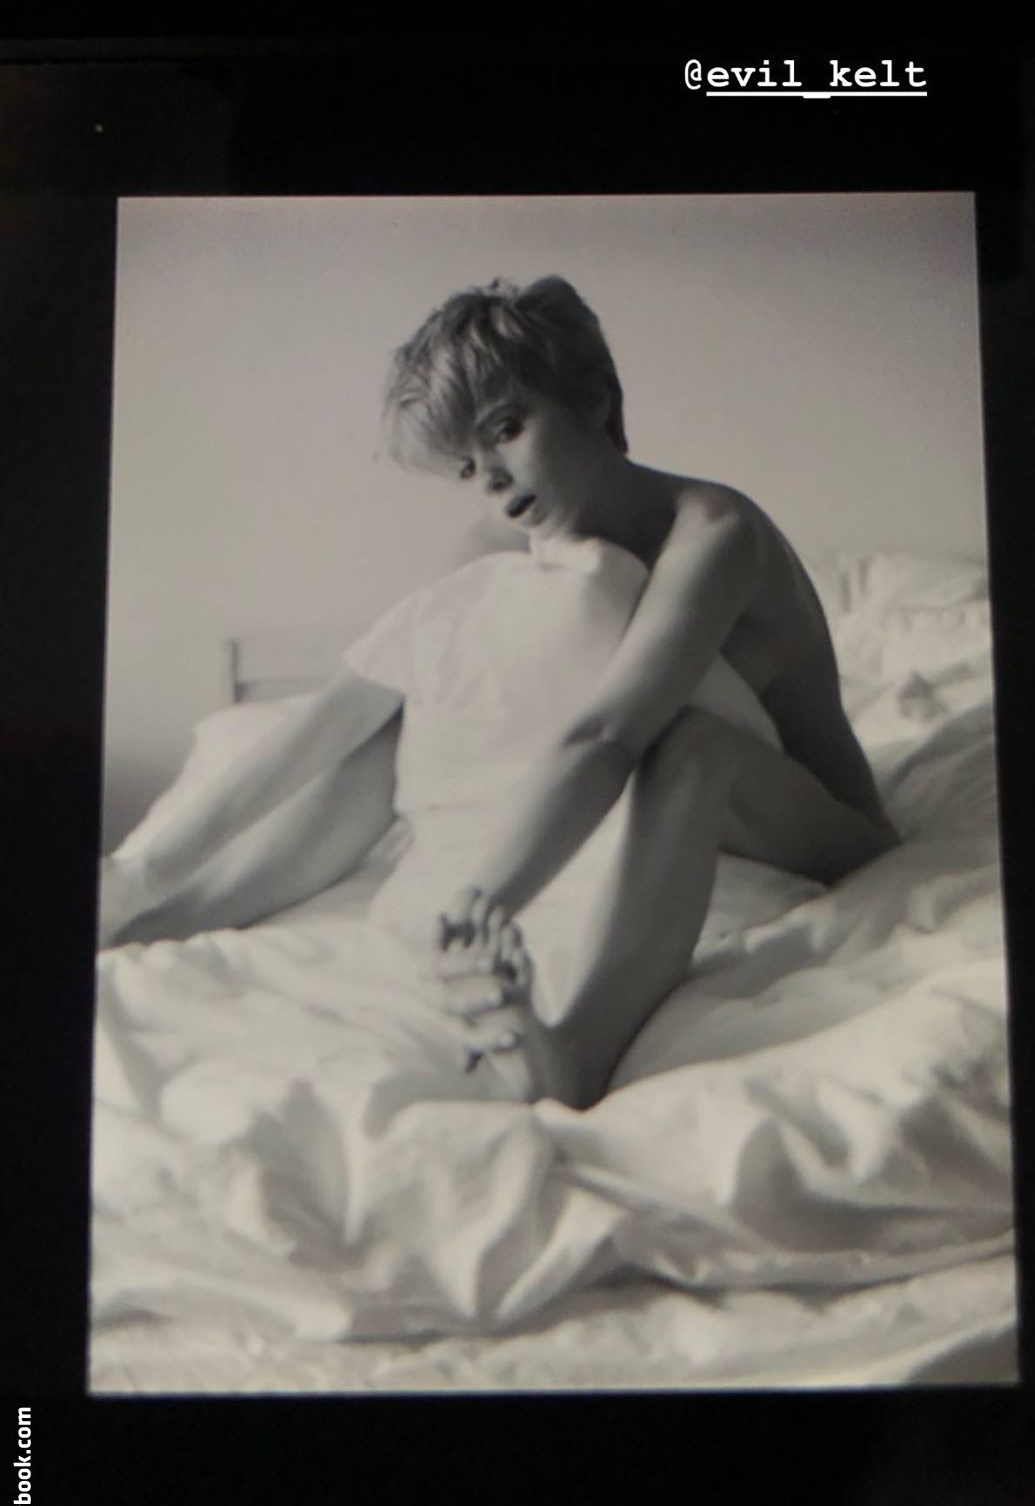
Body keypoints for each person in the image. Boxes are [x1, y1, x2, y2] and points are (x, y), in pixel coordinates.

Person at [99, 276, 899, 1109]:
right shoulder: (502, 535)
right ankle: (162, 920)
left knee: (690, 746)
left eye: (508, 430)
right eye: (466, 465)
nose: (492, 480)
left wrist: (484, 900)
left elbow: (610, 735)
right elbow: (345, 708)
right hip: (650, 786)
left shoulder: (714, 532)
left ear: (594, 398)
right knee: (399, 722)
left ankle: (581, 1047)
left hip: (817, 827)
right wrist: (146, 867)